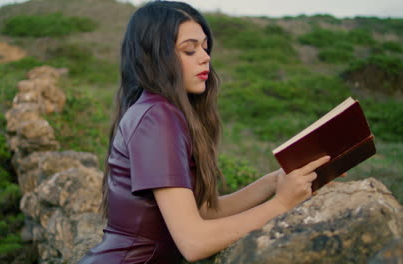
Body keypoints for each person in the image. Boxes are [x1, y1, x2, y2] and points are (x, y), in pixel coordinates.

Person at [78, 1, 330, 263]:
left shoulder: (158, 110)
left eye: (205, 48)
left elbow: (202, 213)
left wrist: (273, 181)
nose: (205, 57)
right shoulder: (157, 117)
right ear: (155, 57)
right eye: (189, 49)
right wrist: (280, 205)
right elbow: (194, 242)